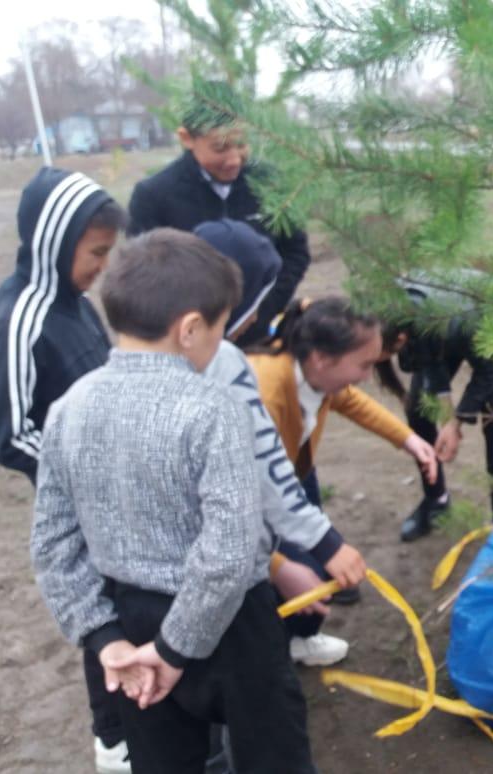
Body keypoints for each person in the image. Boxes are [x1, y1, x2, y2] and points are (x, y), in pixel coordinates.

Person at [30, 228, 318, 773]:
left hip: (131, 620)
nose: (223, 341)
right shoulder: (212, 410)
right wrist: (174, 649)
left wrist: (107, 639)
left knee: (163, 764)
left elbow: (52, 545)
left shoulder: (68, 408)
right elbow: (231, 551)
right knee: (274, 759)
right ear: (189, 329)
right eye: (220, 328)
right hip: (234, 627)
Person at [0, 168, 132, 773]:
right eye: (95, 253)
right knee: (103, 615)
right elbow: (5, 432)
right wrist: (85, 475)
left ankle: (138, 712)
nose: (101, 266)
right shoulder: (20, 320)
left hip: (118, 489)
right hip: (83, 503)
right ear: (54, 240)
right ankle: (113, 738)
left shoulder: (76, 303)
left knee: (128, 600)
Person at [195, 218, 365, 666]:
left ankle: (293, 641)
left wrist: (322, 545)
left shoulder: (229, 362)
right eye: (254, 301)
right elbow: (228, 498)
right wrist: (280, 567)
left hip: (249, 545)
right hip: (200, 585)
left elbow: (267, 469)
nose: (258, 316)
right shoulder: (254, 381)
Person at [246, 297, 438, 598]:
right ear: (323, 358)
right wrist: (278, 568)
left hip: (287, 477)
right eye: (364, 366)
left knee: (313, 568)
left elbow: (348, 400)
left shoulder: (312, 371)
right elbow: (246, 503)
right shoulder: (264, 395)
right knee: (293, 579)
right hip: (254, 502)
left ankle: (302, 630)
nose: (366, 378)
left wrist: (407, 439)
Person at [127, 81, 310, 347]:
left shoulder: (271, 184)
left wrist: (259, 311)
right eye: (220, 148)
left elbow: (295, 253)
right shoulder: (154, 196)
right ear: (187, 138)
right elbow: (144, 278)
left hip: (257, 339)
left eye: (241, 144)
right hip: (191, 345)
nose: (234, 158)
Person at [376, 277, 493, 541]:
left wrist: (456, 423)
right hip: (441, 328)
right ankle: (436, 501)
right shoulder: (392, 312)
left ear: (400, 339)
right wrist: (445, 408)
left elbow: (488, 372)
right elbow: (428, 356)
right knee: (419, 408)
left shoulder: (458, 325)